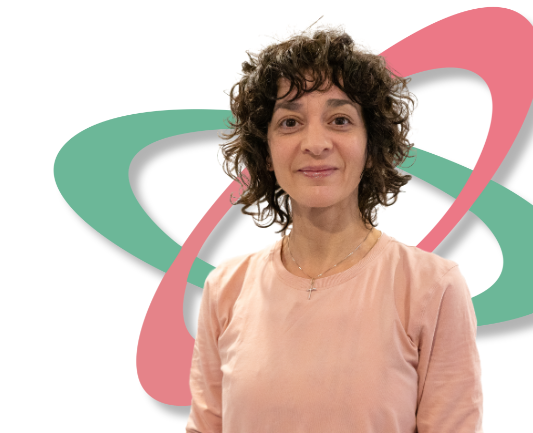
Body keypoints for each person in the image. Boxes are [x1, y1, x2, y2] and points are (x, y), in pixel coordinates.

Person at [186, 25, 483, 433]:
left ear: (371, 145)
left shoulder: (432, 288)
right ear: (266, 152)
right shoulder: (225, 289)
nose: (316, 143)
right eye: (290, 122)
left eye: (340, 120)